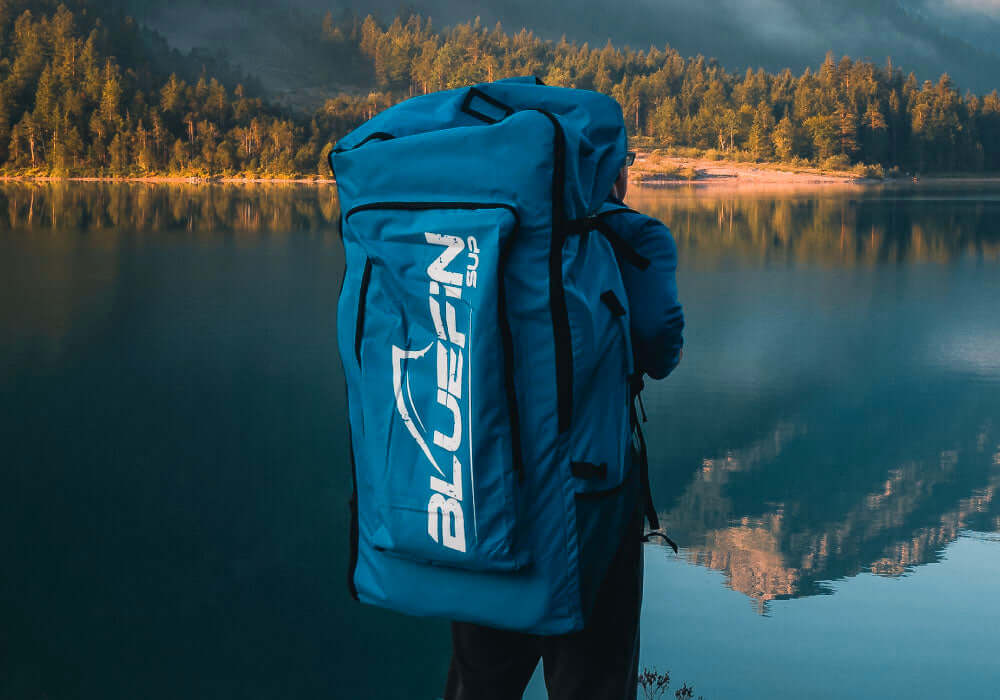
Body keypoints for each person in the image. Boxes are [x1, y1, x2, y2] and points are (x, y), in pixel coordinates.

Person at [444, 151, 685, 700]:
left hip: (485, 489)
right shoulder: (630, 237)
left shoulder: (484, 228)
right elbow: (661, 348)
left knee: (478, 679)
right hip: (592, 499)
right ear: (610, 168)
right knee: (593, 679)